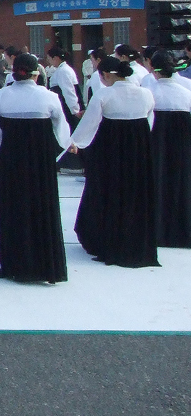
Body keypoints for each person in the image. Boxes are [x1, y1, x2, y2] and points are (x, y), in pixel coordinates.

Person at [0, 53, 71, 284]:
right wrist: (68, 144)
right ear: (36, 74)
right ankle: (45, 263)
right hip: (40, 164)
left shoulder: (0, 97)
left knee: (13, 207)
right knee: (42, 206)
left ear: (14, 73)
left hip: (10, 163)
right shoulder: (49, 97)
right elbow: (60, 128)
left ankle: (14, 262)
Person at [68, 56, 157, 268]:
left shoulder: (104, 94)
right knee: (136, 192)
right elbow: (149, 121)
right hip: (139, 151)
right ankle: (136, 240)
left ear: (106, 75)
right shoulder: (146, 93)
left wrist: (74, 142)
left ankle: (107, 239)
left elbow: (90, 123)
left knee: (110, 191)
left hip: (111, 150)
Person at [146, 50, 191, 248]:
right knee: (183, 184)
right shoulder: (187, 91)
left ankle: (157, 230)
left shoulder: (149, 92)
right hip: (184, 145)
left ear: (153, 69)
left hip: (157, 144)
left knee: (157, 183)